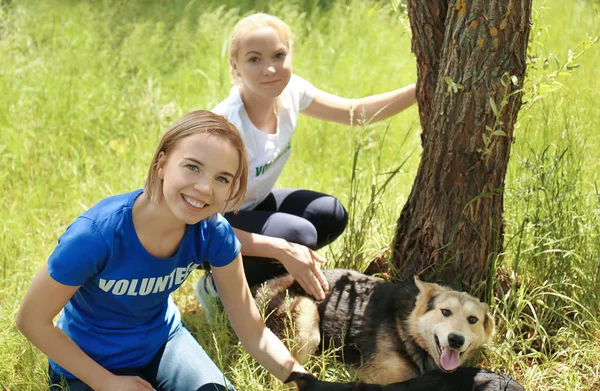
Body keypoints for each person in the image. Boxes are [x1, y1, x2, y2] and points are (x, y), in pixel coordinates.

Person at [16, 110, 310, 391]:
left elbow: (252, 330)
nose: (205, 188)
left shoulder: (213, 232)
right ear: (161, 164)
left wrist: (306, 381)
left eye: (222, 178)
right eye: (192, 167)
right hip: (87, 363)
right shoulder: (97, 234)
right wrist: (104, 382)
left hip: (162, 344)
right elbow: (31, 319)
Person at [195, 12, 417, 311]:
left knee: (329, 214)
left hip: (248, 206)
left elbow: (356, 113)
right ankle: (217, 287)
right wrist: (282, 248)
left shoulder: (291, 91)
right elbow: (199, 223)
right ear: (235, 67)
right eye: (254, 59)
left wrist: (422, 89)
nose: (270, 68)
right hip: (206, 229)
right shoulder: (227, 128)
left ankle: (255, 278)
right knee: (299, 236)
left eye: (278, 55)